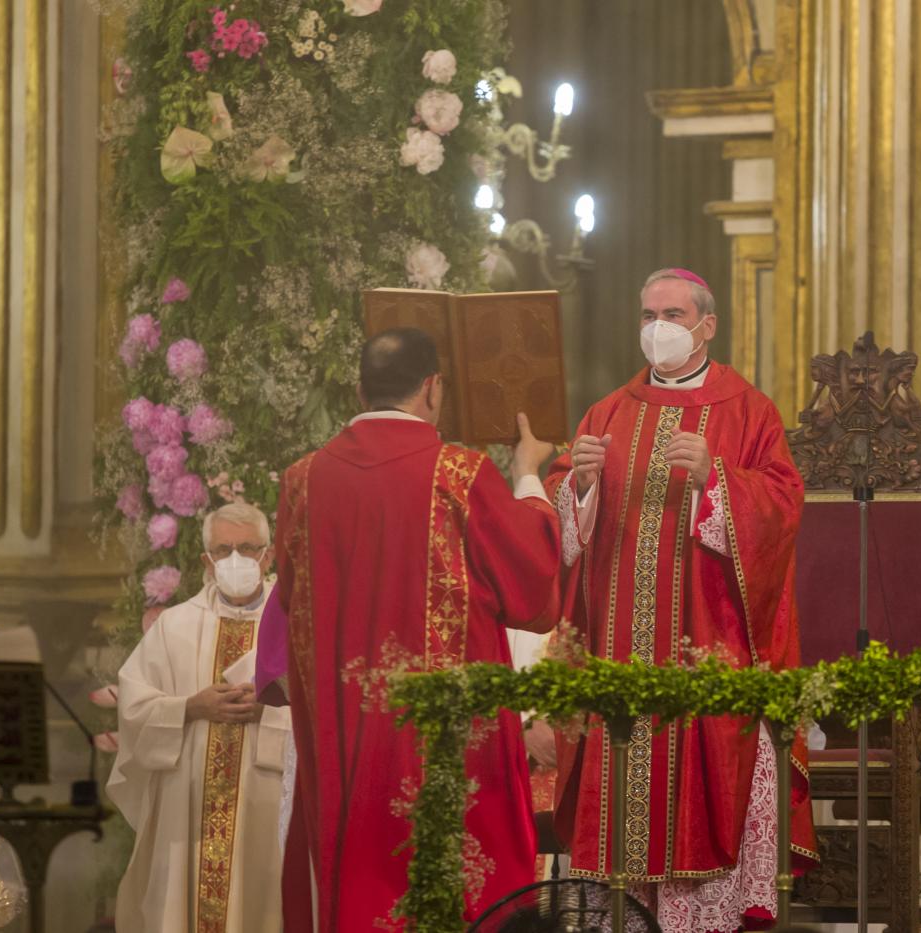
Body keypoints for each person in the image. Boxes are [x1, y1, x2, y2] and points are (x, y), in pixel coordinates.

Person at [546, 268, 817, 933]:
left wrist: (717, 480)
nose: (656, 328)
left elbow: (783, 511)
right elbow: (563, 535)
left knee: (697, 818)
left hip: (707, 657)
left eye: (670, 313)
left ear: (706, 325)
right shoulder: (607, 412)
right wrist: (578, 485)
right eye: (646, 314)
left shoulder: (749, 411)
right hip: (616, 658)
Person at [272, 327, 562, 931]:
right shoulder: (460, 473)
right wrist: (529, 476)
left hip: (348, 736)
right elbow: (531, 587)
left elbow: (294, 601)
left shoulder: (302, 480)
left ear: (359, 389)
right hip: (447, 737)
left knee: (363, 887)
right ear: (433, 389)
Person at [108, 502, 291, 933]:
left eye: (248, 548)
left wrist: (269, 710)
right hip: (186, 811)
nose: (236, 559)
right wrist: (190, 707)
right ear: (206, 561)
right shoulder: (175, 626)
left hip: (268, 798)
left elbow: (325, 714)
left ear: (268, 555)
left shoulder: (293, 623)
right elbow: (133, 708)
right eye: (223, 549)